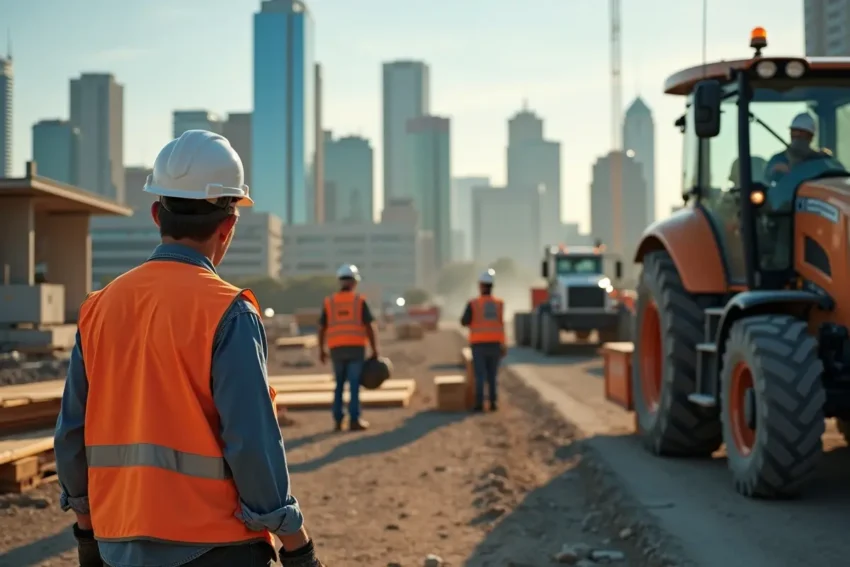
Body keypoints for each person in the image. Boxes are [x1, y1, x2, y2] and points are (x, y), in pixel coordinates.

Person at [54, 130, 323, 567]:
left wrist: (86, 524)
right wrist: (294, 538)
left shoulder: (98, 308)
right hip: (215, 544)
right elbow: (251, 442)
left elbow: (71, 433)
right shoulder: (229, 312)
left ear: (157, 212)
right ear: (229, 224)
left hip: (117, 540)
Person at [318, 263, 379, 431]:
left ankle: (338, 420)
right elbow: (369, 327)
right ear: (354, 282)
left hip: (336, 349)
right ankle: (354, 420)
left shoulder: (330, 302)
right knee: (353, 384)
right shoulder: (359, 301)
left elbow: (322, 328)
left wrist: (321, 350)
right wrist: (375, 350)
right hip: (355, 349)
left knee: (339, 385)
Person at [460, 269, 507, 412]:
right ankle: (493, 403)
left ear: (481, 286)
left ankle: (479, 404)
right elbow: (500, 324)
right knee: (492, 375)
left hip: (478, 345)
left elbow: (464, 321)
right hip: (495, 344)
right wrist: (503, 344)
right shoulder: (499, 303)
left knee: (480, 375)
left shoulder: (473, 304)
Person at [764, 112, 828, 183]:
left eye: (801, 135)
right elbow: (766, 181)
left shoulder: (820, 160)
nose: (796, 139)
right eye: (794, 133)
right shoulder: (778, 159)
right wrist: (773, 171)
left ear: (810, 137)